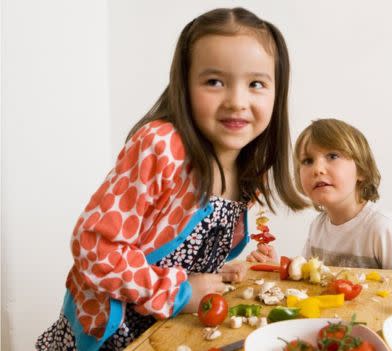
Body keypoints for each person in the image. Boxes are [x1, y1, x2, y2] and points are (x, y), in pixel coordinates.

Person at [36, 7, 306, 350]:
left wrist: (218, 273)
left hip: (172, 334)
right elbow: (94, 248)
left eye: (256, 83)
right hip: (112, 339)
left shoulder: (250, 169)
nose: (237, 101)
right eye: (214, 82)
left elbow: (176, 252)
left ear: (276, 92)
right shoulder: (161, 147)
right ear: (185, 84)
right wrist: (178, 293)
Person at [249, 118, 392, 271]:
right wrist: (274, 267)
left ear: (362, 170)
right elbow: (307, 281)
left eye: (332, 156)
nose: (317, 169)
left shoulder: (384, 228)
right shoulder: (318, 228)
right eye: (307, 161)